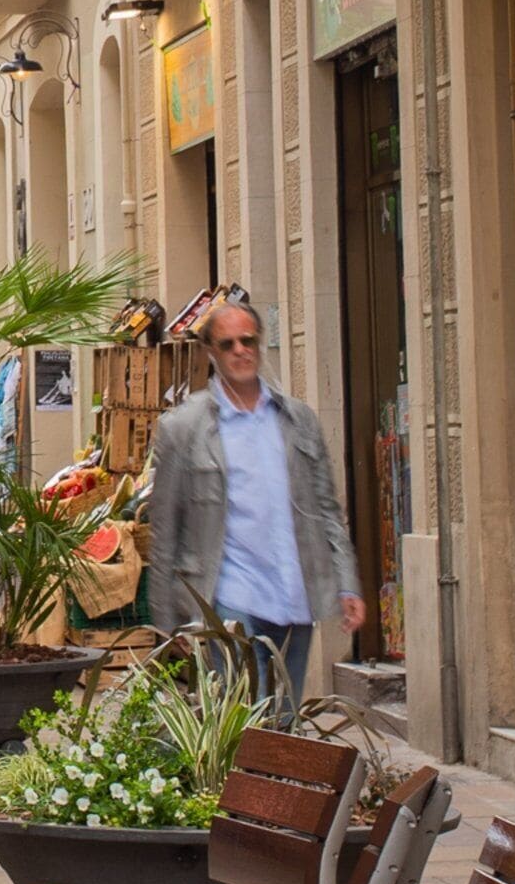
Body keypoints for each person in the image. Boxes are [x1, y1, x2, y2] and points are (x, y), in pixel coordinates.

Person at [148, 297, 363, 699]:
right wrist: (166, 624)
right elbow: (164, 531)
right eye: (227, 344)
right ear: (211, 352)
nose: (240, 351)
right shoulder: (183, 428)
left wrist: (347, 585)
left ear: (260, 344)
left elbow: (327, 510)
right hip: (227, 595)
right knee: (245, 711)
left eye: (247, 341)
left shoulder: (298, 420)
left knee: (286, 717)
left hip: (293, 591)